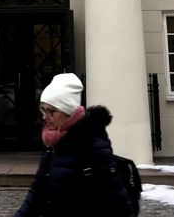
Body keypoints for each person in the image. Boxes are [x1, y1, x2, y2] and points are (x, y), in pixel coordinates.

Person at [14, 73, 136, 217]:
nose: (45, 117)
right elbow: (38, 191)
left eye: (51, 111)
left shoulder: (94, 145)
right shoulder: (51, 142)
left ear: (69, 112)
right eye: (43, 110)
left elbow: (119, 202)